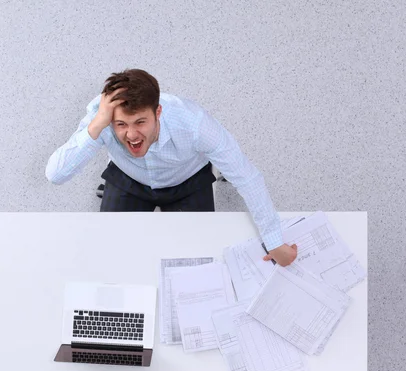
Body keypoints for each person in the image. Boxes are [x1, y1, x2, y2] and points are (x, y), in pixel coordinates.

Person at [45, 69, 297, 266]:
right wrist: (98, 124)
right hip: (127, 178)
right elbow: (55, 175)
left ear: (159, 112)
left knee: (197, 263)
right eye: (121, 124)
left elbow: (247, 177)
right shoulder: (102, 117)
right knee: (113, 256)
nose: (131, 135)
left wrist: (274, 241)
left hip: (187, 182)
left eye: (140, 122)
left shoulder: (194, 124)